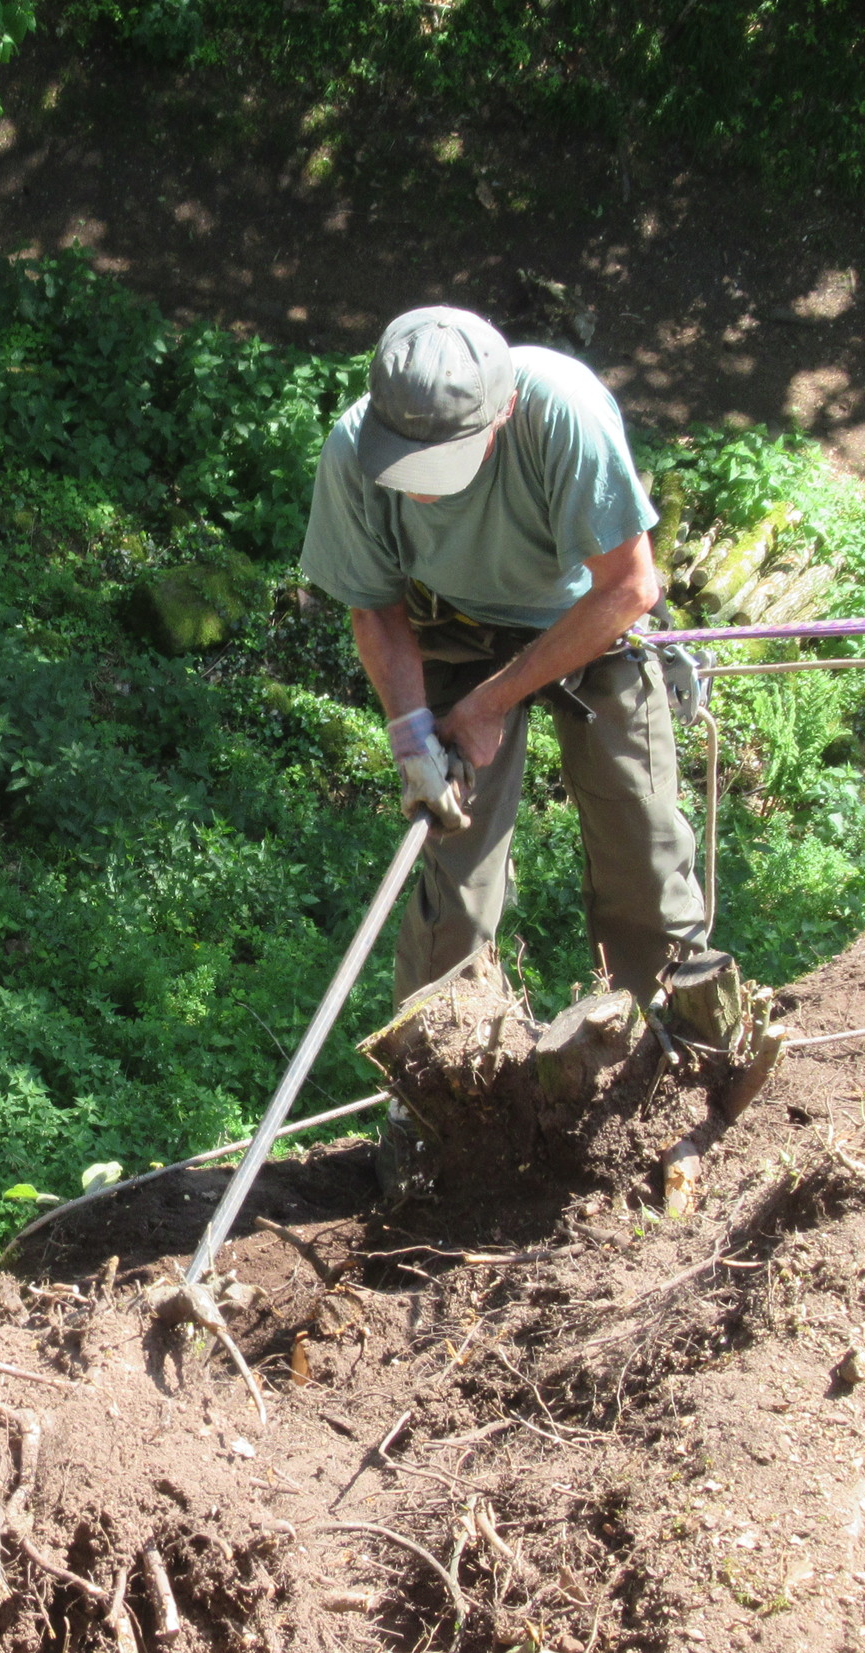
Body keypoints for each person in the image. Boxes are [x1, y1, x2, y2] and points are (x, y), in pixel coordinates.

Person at [297, 307, 709, 1191]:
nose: (423, 491)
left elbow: (628, 586)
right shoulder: (354, 450)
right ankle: (431, 1104)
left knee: (642, 842)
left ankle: (679, 1065)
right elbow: (375, 608)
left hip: (588, 619)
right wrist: (413, 734)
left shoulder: (562, 412)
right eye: (408, 467)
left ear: (504, 410)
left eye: (442, 467)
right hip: (451, 624)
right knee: (457, 872)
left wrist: (491, 704)